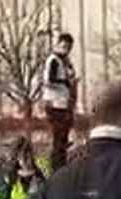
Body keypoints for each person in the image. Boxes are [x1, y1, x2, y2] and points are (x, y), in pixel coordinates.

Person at [43, 32, 78, 170]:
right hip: (56, 104)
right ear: (58, 45)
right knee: (59, 138)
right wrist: (66, 82)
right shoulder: (54, 60)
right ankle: (57, 167)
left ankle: (61, 164)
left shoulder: (66, 62)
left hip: (65, 103)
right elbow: (49, 80)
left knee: (63, 138)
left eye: (68, 47)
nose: (66, 50)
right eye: (64, 46)